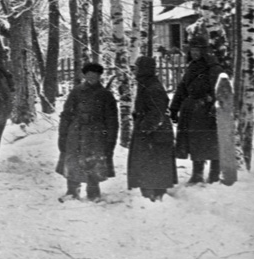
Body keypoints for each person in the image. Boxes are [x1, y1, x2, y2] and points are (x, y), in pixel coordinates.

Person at [56, 61, 118, 202]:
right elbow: (66, 114)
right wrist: (63, 134)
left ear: (99, 76)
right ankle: (72, 191)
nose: (91, 78)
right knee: (73, 161)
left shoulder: (105, 95)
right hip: (76, 132)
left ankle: (93, 193)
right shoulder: (76, 92)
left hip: (96, 135)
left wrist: (110, 140)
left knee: (93, 162)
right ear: (84, 76)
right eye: (88, 75)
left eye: (94, 75)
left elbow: (112, 120)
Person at [170, 34, 224, 184]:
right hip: (192, 111)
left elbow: (220, 90)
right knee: (194, 143)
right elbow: (182, 88)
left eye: (197, 50)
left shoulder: (213, 68)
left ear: (204, 51)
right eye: (192, 50)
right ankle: (197, 174)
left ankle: (214, 174)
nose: (194, 53)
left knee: (211, 143)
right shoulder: (192, 66)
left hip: (206, 112)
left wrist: (213, 103)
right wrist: (174, 108)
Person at [126, 56, 178, 201]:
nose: (134, 71)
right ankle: (152, 194)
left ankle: (156, 197)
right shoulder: (145, 84)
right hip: (153, 133)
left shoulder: (152, 87)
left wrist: (144, 128)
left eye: (137, 68)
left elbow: (157, 113)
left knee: (154, 164)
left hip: (156, 135)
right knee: (150, 164)